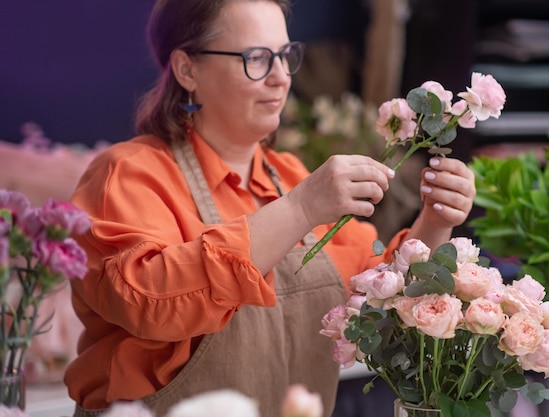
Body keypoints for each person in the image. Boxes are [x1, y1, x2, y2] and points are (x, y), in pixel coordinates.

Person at [64, 0, 476, 416]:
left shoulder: (292, 176)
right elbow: (148, 304)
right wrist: (299, 209)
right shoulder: (127, 174)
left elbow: (380, 304)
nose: (281, 78)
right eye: (256, 59)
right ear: (187, 69)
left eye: (284, 56)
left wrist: (436, 221)